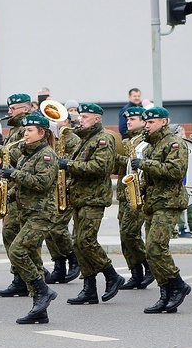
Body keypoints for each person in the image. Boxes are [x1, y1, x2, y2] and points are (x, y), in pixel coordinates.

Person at [59, 103, 123, 304]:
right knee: (78, 242)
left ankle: (112, 274)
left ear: (97, 119)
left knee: (86, 240)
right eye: (81, 116)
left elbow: (100, 167)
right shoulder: (84, 139)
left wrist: (68, 165)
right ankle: (89, 288)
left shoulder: (103, 139)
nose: (80, 120)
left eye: (85, 116)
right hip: (80, 197)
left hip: (93, 198)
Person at [0, 114, 59, 323]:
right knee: (34, 259)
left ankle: (43, 292)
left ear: (41, 133)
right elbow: (25, 185)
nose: (25, 134)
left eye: (30, 131)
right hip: (27, 212)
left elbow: (42, 183)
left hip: (41, 214)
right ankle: (40, 310)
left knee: (17, 250)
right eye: (24, 131)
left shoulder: (47, 155)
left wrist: (14, 174)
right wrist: (6, 196)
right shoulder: (26, 155)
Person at [130, 107, 190, 313]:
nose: (147, 126)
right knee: (151, 251)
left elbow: (175, 171)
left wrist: (144, 164)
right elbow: (149, 177)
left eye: (151, 122)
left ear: (164, 122)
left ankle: (179, 285)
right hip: (153, 202)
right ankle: (165, 294)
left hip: (170, 202)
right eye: (145, 123)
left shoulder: (175, 143)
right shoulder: (149, 146)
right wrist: (136, 189)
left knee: (156, 246)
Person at [0, 93, 36, 297]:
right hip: (11, 187)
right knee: (9, 234)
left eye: (13, 109)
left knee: (17, 236)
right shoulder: (15, 129)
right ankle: (19, 278)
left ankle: (29, 279)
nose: (9, 112)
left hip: (22, 189)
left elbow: (22, 157)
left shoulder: (29, 129)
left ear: (25, 109)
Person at [114, 105, 153, 289]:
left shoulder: (145, 142)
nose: (128, 121)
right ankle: (135, 273)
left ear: (143, 122)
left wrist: (116, 158)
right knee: (124, 236)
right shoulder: (127, 140)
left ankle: (149, 266)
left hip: (138, 193)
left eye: (133, 119)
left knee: (131, 234)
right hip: (124, 193)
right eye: (127, 119)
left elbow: (137, 164)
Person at [44, 110, 81, 284]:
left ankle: (73, 258)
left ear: (65, 121)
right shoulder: (48, 137)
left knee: (57, 227)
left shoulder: (71, 138)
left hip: (69, 188)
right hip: (53, 189)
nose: (51, 123)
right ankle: (59, 265)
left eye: (55, 119)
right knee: (49, 230)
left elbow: (76, 161)